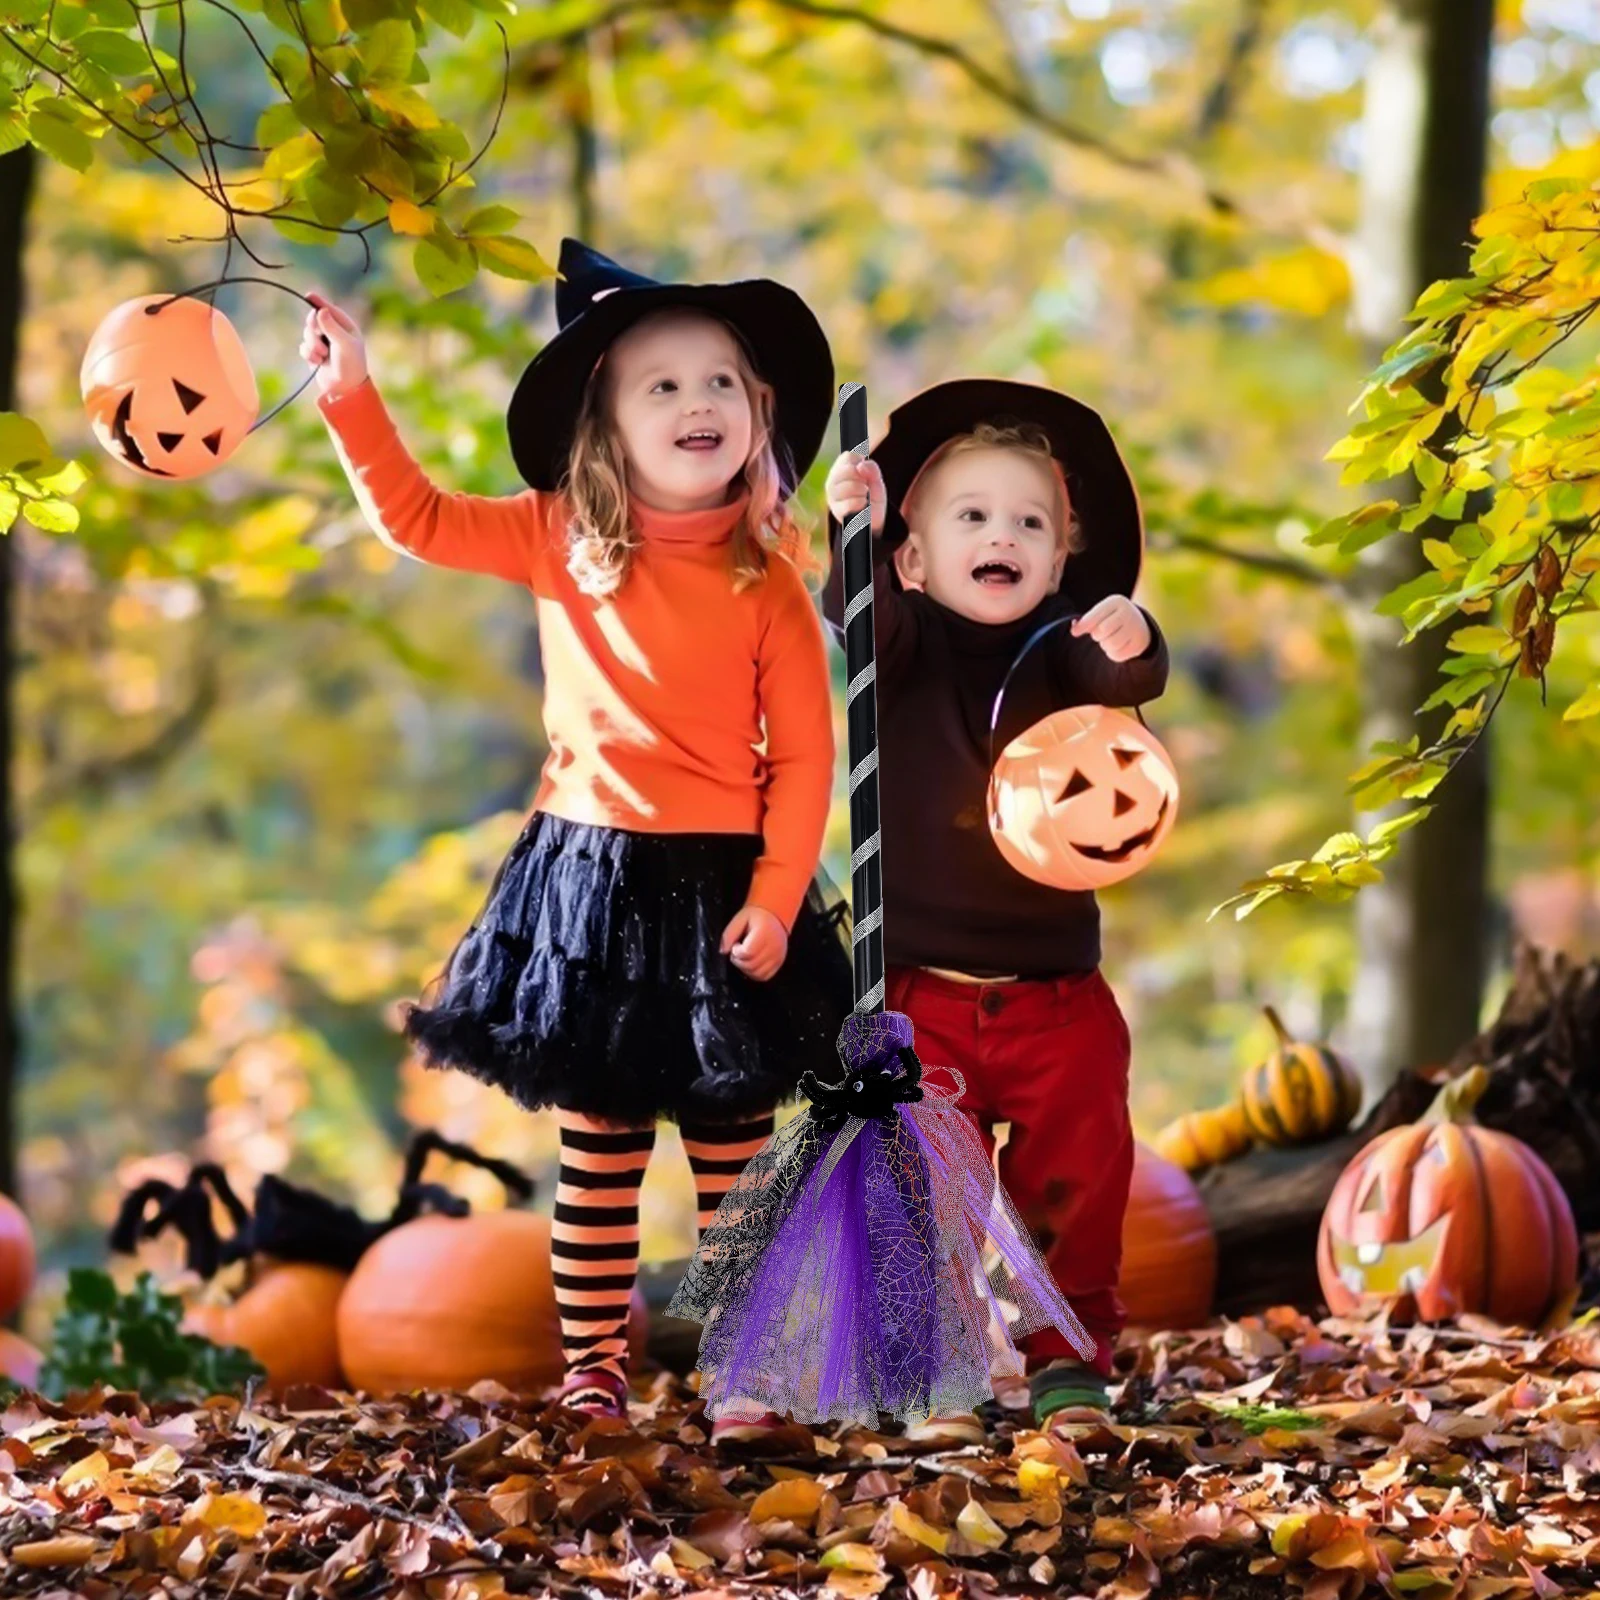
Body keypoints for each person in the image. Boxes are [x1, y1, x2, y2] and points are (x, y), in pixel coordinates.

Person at [306, 238, 853, 1428]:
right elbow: (415, 519)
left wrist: (773, 893)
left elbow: (805, 756)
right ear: (606, 422)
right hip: (590, 881)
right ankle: (595, 1363)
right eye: (661, 385)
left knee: (734, 1150)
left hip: (725, 884)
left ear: (757, 415)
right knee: (601, 1153)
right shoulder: (558, 535)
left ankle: (744, 1362)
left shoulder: (770, 577)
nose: (695, 403)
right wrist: (350, 395)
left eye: (719, 383)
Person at [822, 378, 1169, 1441]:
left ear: (1062, 559)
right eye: (969, 515)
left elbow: (1127, 676)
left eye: (1028, 522)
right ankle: (933, 1368)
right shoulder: (908, 643)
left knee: (1079, 1179)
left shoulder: (1061, 647)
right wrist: (850, 535)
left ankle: (1067, 1358)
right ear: (918, 554)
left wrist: (1129, 631)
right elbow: (860, 622)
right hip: (921, 990)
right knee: (918, 1185)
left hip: (1058, 994)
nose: (1000, 535)